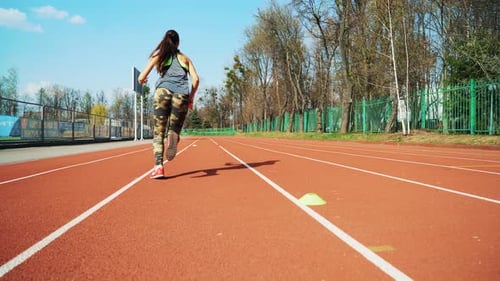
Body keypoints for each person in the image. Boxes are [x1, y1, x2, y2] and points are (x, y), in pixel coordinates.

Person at [138, 29, 199, 179]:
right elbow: (196, 80)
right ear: (178, 43)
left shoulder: (160, 55)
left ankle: (158, 167)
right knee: (174, 129)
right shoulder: (185, 58)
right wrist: (190, 97)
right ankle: (173, 135)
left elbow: (141, 77)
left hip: (162, 92)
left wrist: (142, 80)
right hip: (181, 95)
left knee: (158, 132)